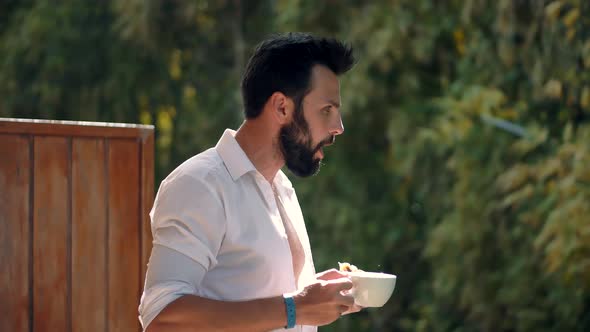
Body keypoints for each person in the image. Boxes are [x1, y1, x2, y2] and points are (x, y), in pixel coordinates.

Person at [139, 32, 359, 332]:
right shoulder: (199, 185)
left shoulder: (282, 188)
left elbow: (274, 301)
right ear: (282, 107)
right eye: (326, 110)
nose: (338, 127)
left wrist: (315, 293)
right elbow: (161, 317)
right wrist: (297, 307)